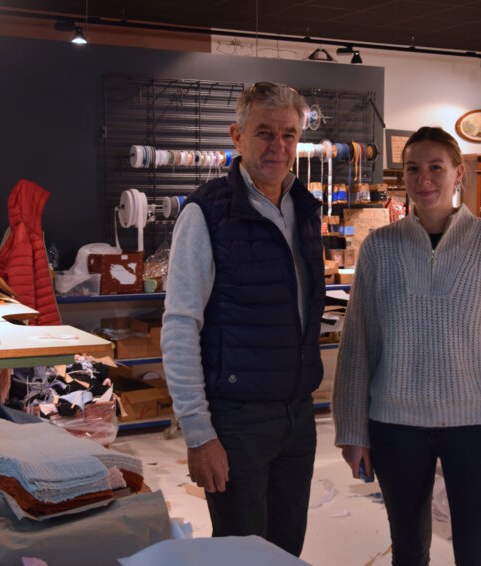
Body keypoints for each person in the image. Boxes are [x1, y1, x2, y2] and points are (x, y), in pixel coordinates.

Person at [332, 126, 481, 566]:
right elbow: (358, 344)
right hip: (395, 423)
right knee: (408, 551)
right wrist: (352, 429)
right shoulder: (379, 248)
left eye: (436, 167)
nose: (424, 178)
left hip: (474, 426)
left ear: (458, 173)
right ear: (401, 176)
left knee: (477, 554)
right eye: (413, 168)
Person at [161, 81, 325, 557]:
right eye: (265, 133)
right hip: (237, 422)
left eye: (289, 135)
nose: (278, 146)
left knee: (286, 550)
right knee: (241, 554)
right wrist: (198, 431)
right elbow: (179, 325)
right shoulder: (206, 213)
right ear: (237, 136)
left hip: (298, 415)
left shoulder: (304, 209)